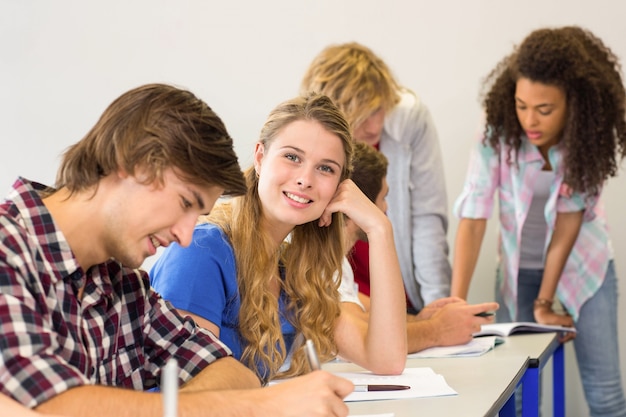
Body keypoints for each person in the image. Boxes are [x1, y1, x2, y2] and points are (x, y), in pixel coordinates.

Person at [0, 83, 354, 417]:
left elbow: (233, 373)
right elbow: (48, 404)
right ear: (131, 163)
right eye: (185, 202)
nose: (186, 237)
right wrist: (253, 406)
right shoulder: (8, 252)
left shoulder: (123, 282)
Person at [150, 93, 407, 383]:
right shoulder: (201, 251)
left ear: (338, 187)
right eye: (292, 157)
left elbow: (387, 359)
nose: (305, 179)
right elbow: (194, 389)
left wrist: (379, 229)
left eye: (325, 168)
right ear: (260, 158)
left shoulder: (291, 269)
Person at [451, 26, 626, 416]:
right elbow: (475, 215)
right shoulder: (496, 127)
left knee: (606, 395)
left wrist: (546, 301)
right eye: (521, 104)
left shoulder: (589, 136)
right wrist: (456, 302)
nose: (530, 119)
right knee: (519, 394)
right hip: (517, 272)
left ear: (573, 105)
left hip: (585, 270)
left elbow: (569, 218)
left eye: (544, 110)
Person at [300, 42, 450, 314]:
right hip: (344, 294)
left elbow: (427, 218)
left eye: (377, 110)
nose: (374, 127)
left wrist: (436, 304)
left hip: (400, 288)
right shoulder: (310, 141)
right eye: (361, 116)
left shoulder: (409, 120)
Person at [341, 142, 498, 352]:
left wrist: (419, 320)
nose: (386, 209)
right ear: (362, 203)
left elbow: (362, 315)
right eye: (383, 198)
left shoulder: (340, 266)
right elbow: (365, 337)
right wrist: (437, 329)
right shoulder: (321, 262)